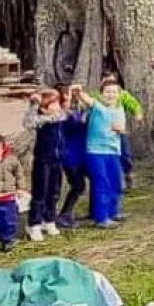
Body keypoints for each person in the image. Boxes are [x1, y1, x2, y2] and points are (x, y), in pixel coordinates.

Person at [74, 79, 126, 229]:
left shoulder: (120, 109)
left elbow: (122, 129)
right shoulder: (97, 107)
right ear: (102, 94)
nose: (111, 95)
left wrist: (120, 130)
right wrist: (79, 92)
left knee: (115, 182)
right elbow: (88, 100)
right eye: (108, 92)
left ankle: (113, 212)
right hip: (97, 152)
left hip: (113, 151)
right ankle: (101, 217)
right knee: (101, 183)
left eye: (114, 92)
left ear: (119, 94)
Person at [22, 89, 65, 242]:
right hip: (42, 160)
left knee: (54, 191)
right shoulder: (40, 121)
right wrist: (34, 104)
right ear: (44, 107)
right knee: (40, 192)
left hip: (57, 160)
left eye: (58, 102)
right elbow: (28, 122)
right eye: (53, 103)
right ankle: (34, 224)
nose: (57, 106)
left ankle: (49, 220)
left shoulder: (61, 117)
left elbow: (65, 113)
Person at [96, 74, 143, 190]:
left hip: (119, 132)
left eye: (112, 81)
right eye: (106, 81)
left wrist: (137, 114)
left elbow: (134, 105)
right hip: (103, 134)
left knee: (125, 154)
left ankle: (128, 174)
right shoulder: (97, 97)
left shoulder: (122, 95)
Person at [56, 85, 87, 230]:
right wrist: (83, 119)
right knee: (78, 186)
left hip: (77, 155)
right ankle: (64, 215)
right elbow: (76, 124)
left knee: (80, 185)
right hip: (70, 157)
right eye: (68, 95)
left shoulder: (67, 113)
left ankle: (66, 214)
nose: (70, 97)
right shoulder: (63, 116)